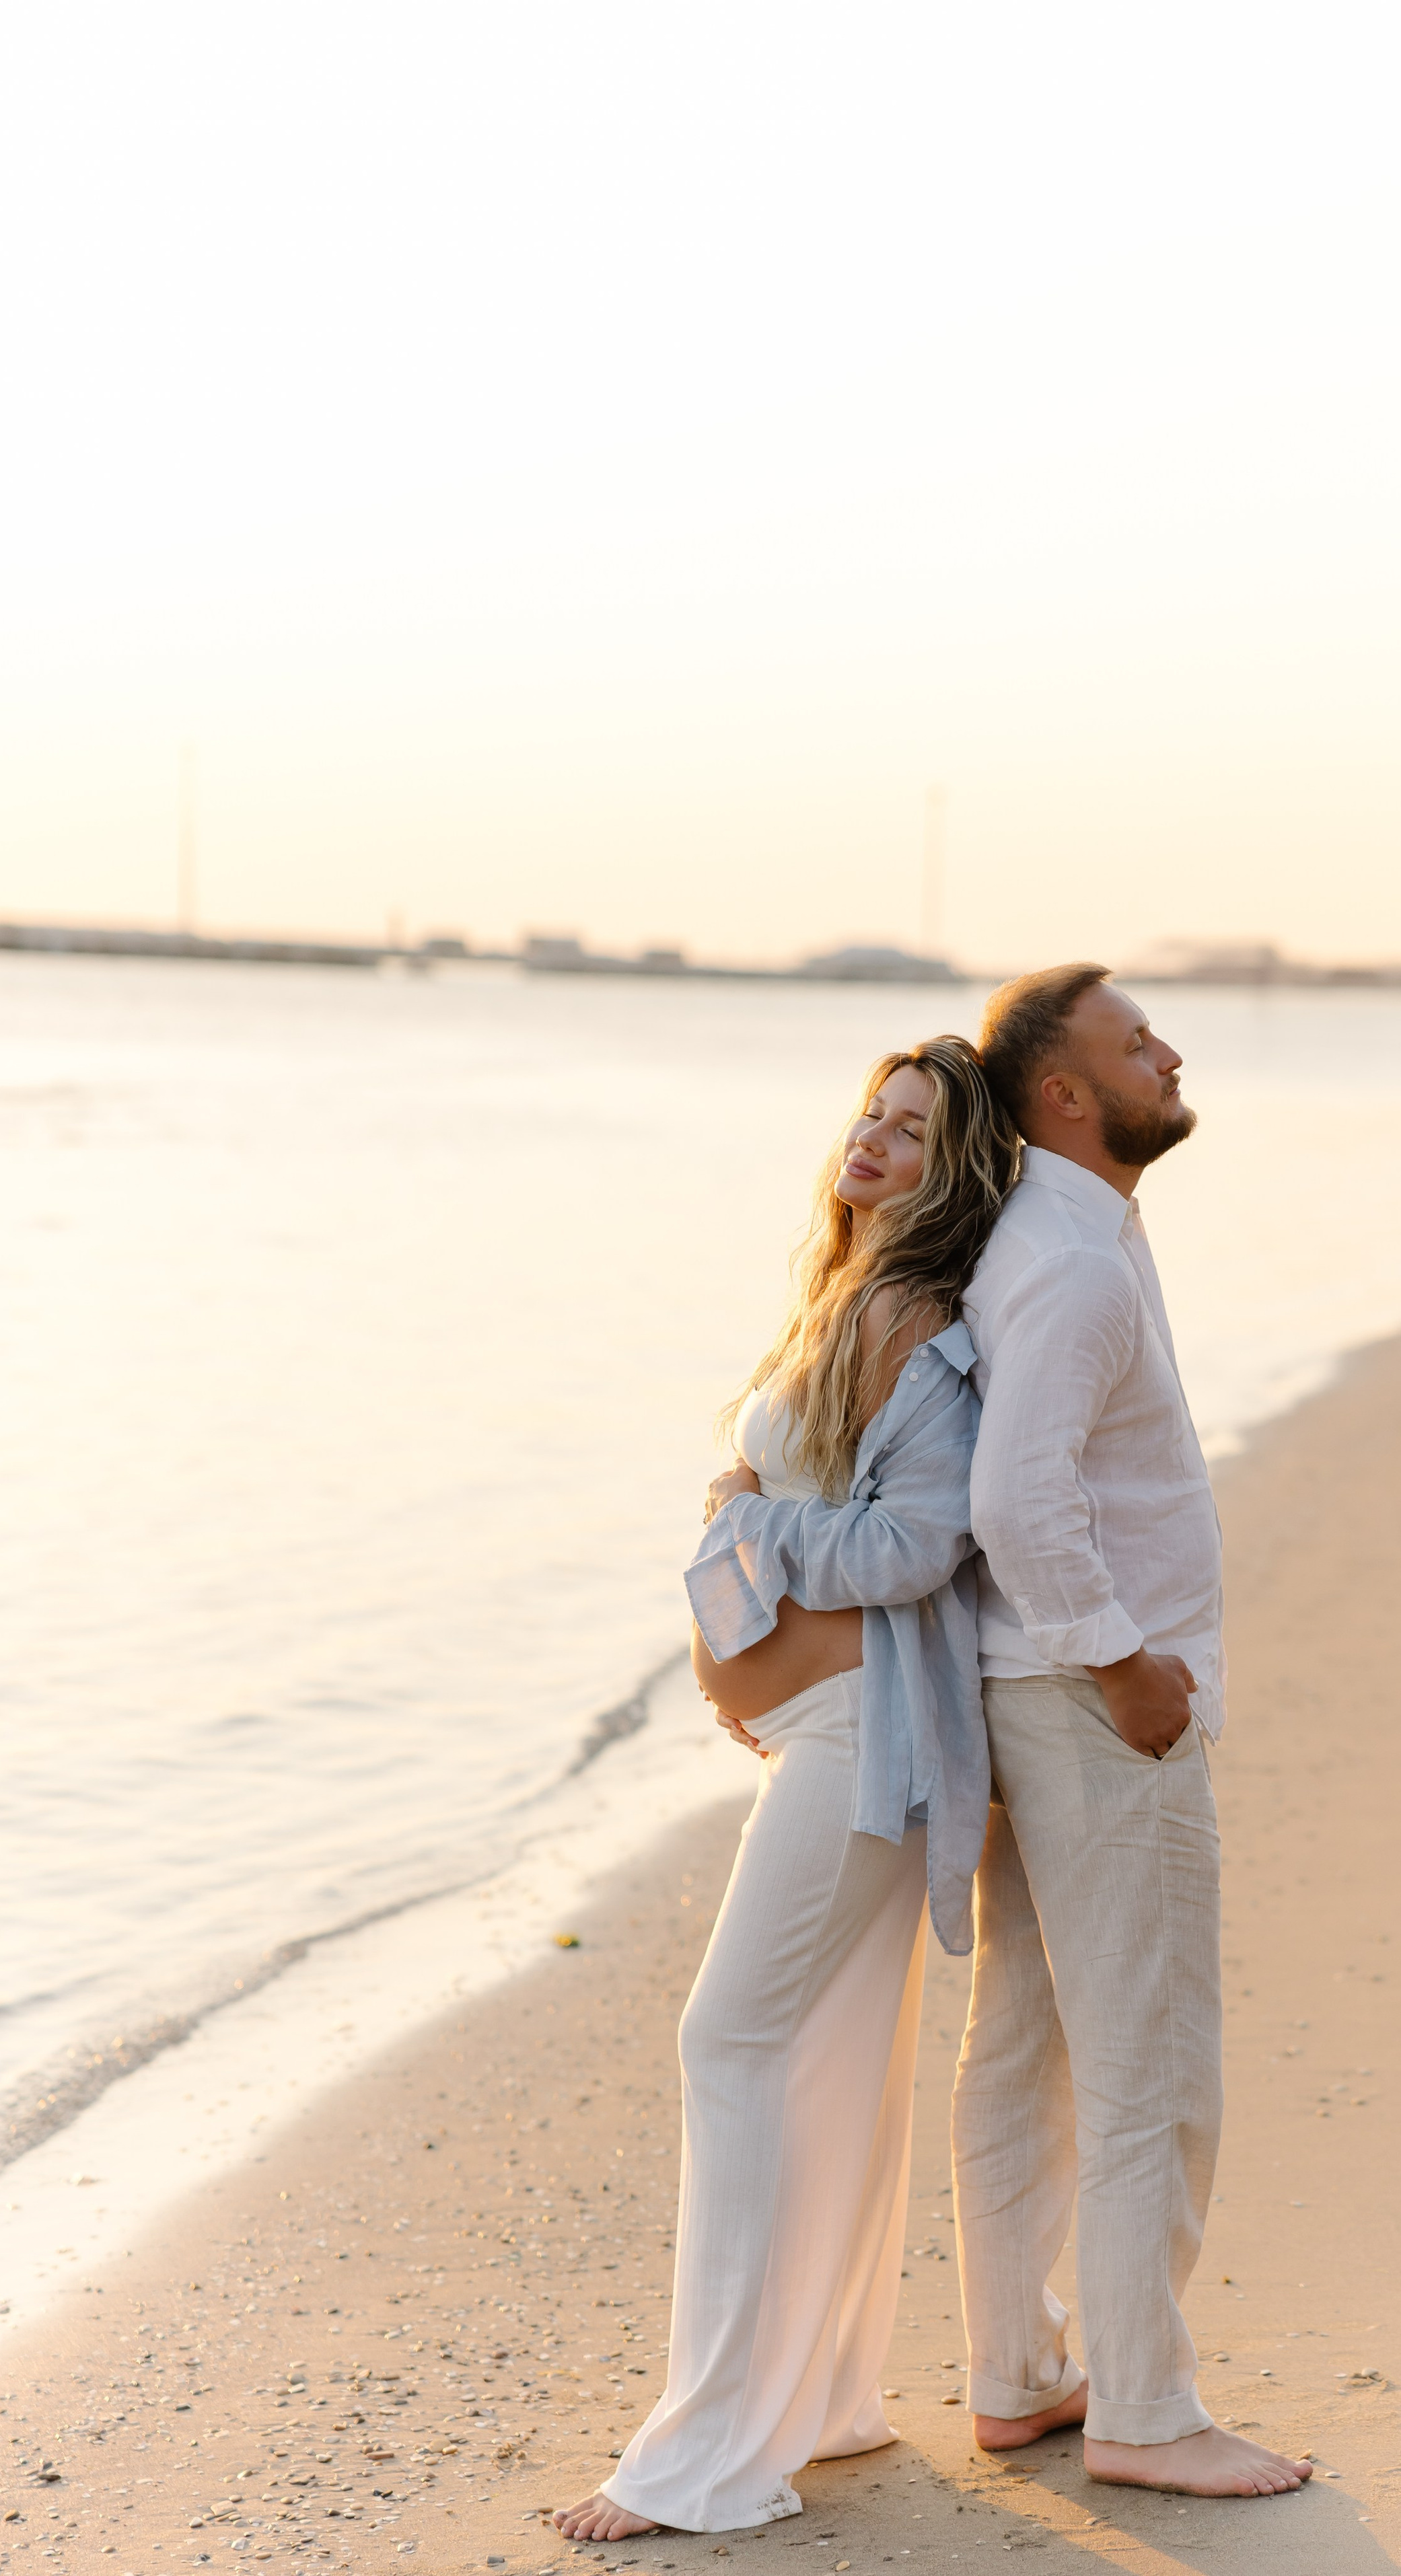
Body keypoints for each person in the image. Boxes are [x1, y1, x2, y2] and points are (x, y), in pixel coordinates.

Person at [555, 1035, 1019, 2542]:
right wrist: (743, 1526)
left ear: (955, 1168)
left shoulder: (910, 1317)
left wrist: (749, 1538)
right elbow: (807, 1505)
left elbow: (912, 1547)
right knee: (821, 2053)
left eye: (911, 1129)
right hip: (832, 1730)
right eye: (868, 1116)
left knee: (733, 2039)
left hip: (866, 1745)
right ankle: (813, 2396)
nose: (873, 1142)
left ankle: (705, 2454)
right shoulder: (840, 1294)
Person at [954, 963, 1311, 2501]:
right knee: (1150, 2057)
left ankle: (1020, 2371)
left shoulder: (1047, 1231)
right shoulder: (1075, 1261)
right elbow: (1015, 1497)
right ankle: (1146, 2412)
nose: (1168, 1052)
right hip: (1091, 1705)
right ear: (1063, 1094)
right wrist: (1124, 1663)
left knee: (1028, 2043)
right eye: (1132, 1041)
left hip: (1020, 1689)